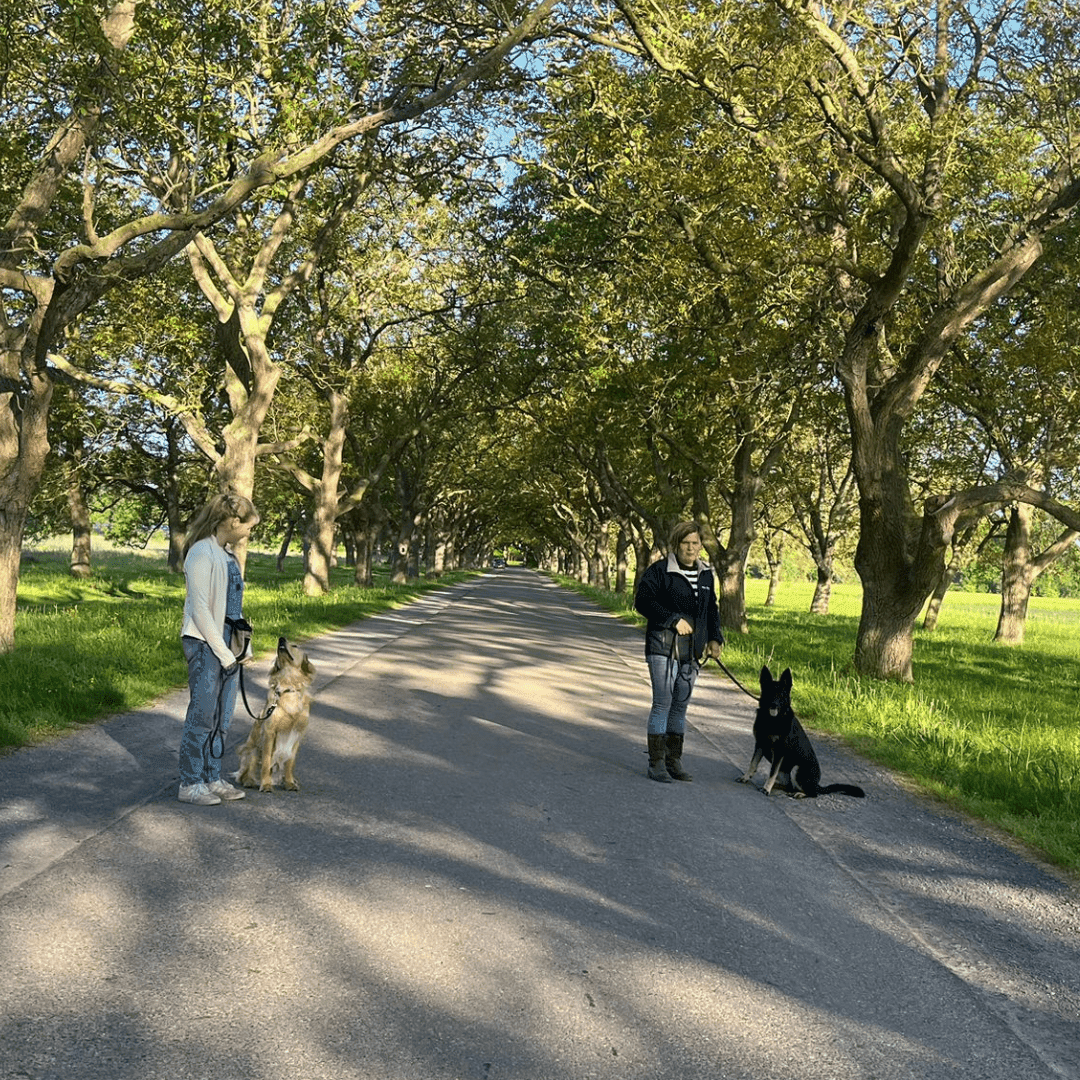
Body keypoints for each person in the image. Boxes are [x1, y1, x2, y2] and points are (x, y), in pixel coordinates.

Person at [177, 492, 260, 806]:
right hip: (203, 643)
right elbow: (200, 610)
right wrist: (224, 653)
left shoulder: (228, 556)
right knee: (202, 716)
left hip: (227, 644)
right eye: (248, 526)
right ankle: (190, 783)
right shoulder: (201, 552)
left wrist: (242, 647)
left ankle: (212, 776)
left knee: (223, 717)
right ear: (233, 521)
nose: (249, 532)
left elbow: (232, 611)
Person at [633, 521, 724, 782]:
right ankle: (656, 763)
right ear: (677, 544)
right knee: (663, 703)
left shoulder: (707, 574)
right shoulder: (660, 571)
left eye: (696, 543)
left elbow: (712, 610)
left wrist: (715, 639)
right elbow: (642, 602)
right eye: (686, 543)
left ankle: (674, 761)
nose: (691, 548)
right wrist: (672, 619)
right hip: (662, 646)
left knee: (680, 707)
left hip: (692, 650)